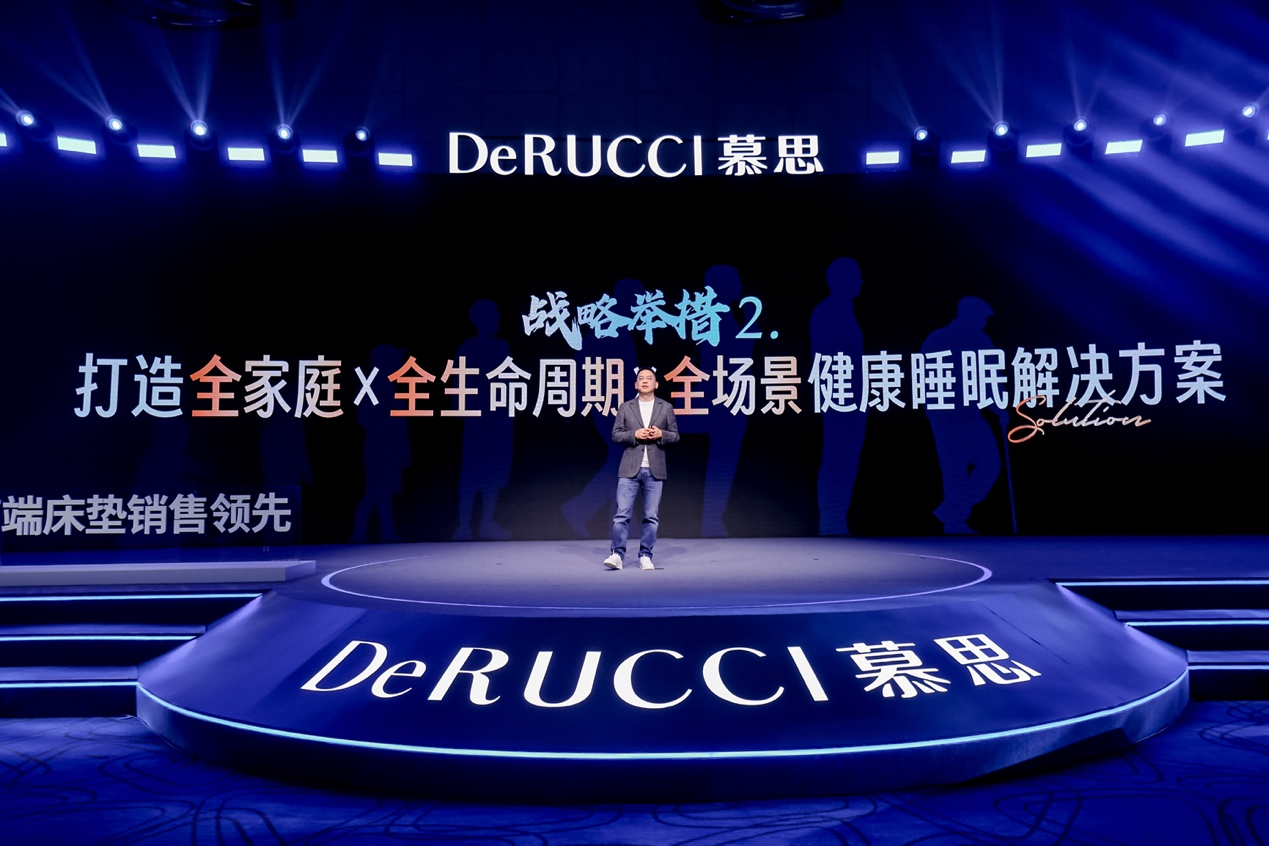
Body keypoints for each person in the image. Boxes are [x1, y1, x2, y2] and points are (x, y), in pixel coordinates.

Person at [604, 368, 679, 570]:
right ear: (636, 385)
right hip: (629, 468)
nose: (645, 381)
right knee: (622, 515)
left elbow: (675, 435)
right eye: (641, 379)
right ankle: (617, 554)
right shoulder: (626, 407)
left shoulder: (665, 407)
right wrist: (634, 434)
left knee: (651, 517)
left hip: (655, 469)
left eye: (649, 378)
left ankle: (646, 555)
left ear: (656, 384)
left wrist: (661, 434)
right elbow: (616, 434)